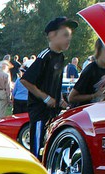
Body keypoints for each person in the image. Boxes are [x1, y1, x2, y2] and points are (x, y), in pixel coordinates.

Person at [21, 16, 77, 158]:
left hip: (53, 111)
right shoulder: (45, 56)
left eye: (70, 36)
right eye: (65, 35)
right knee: (37, 148)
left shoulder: (61, 57)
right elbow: (25, 80)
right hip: (40, 111)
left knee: (48, 147)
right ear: (52, 35)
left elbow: (55, 82)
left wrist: (60, 99)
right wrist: (45, 97)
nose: (69, 39)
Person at [68, 39, 105, 107]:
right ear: (99, 50)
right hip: (84, 109)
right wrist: (93, 96)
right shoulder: (90, 70)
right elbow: (71, 98)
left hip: (99, 108)